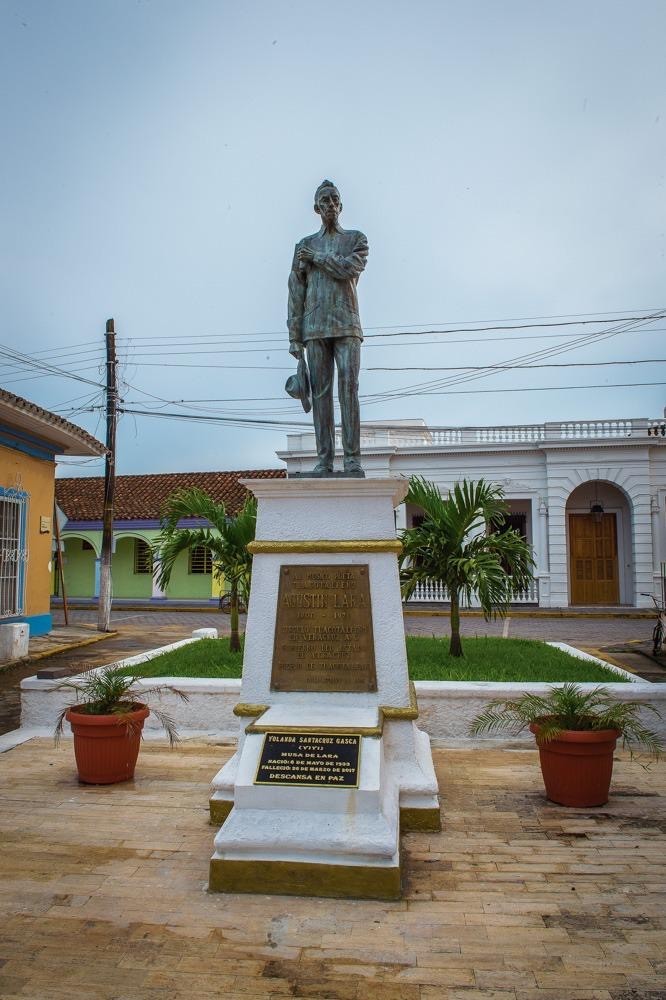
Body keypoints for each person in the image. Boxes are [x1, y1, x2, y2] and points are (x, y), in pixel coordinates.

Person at [287, 180, 368, 476]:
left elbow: (348, 269)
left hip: (347, 323)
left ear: (341, 205)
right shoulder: (303, 246)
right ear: (316, 208)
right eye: (325, 200)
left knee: (349, 389)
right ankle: (324, 460)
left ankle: (352, 459)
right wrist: (294, 337)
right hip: (314, 327)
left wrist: (317, 258)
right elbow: (295, 291)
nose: (331, 204)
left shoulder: (356, 239)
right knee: (321, 395)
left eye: (334, 199)